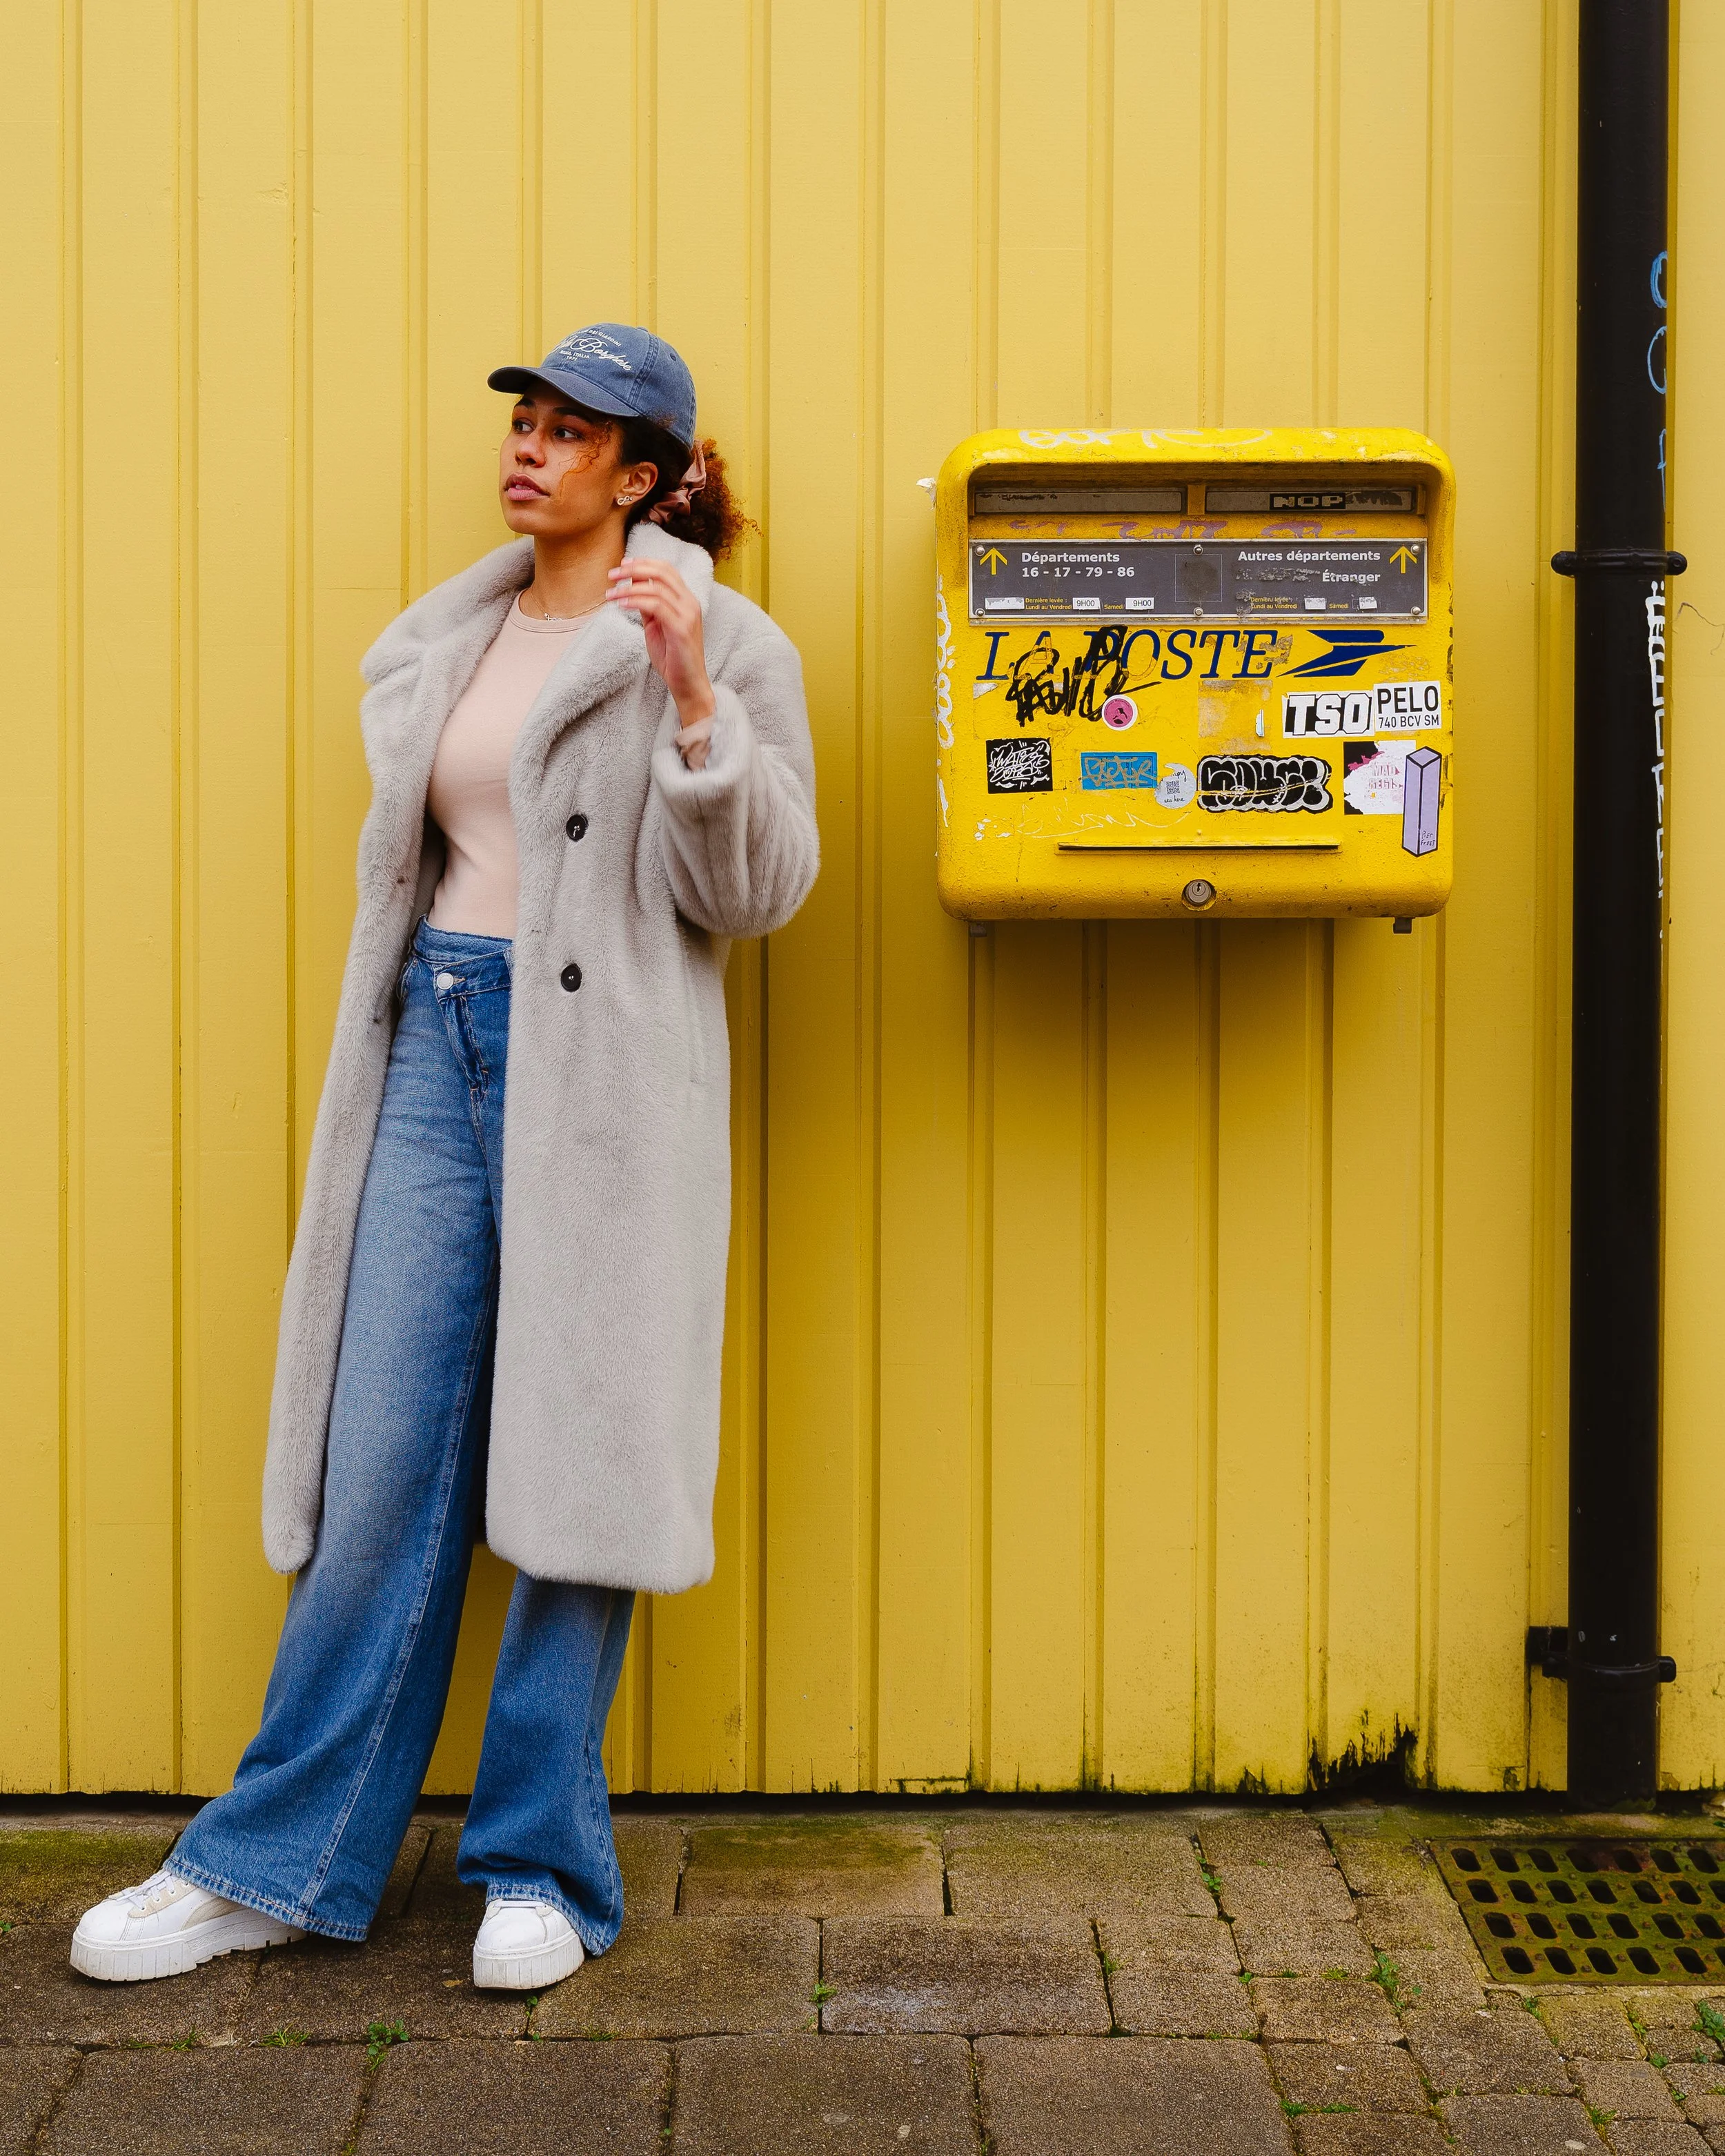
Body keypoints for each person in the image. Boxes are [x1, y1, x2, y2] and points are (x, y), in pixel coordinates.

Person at [70, 324, 819, 1991]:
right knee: (381, 1457)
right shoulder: (453, 633)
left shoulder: (722, 637)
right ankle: (274, 1857)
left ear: (648, 474)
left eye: (574, 433)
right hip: (437, 1042)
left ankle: (541, 1867)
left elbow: (759, 889)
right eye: (527, 421)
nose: (531, 449)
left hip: (604, 1081)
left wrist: (693, 690)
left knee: (580, 1467)